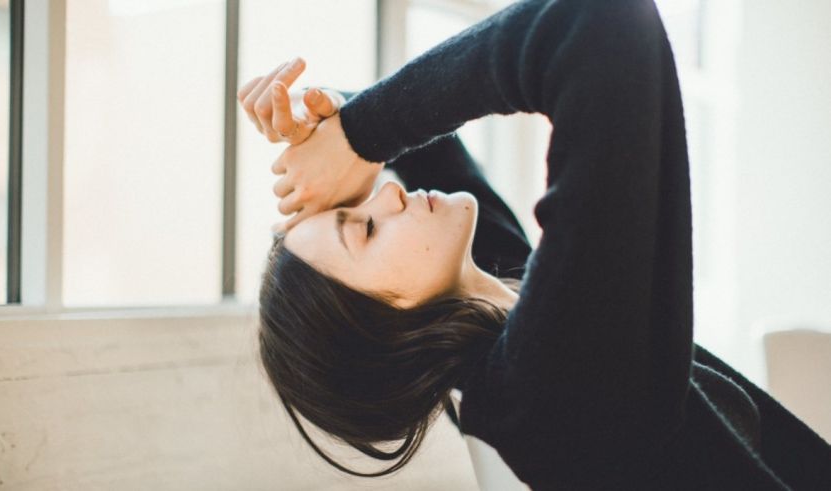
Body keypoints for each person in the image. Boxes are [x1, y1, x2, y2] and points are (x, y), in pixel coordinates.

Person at [239, 0, 831, 488]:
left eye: (360, 202)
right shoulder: (551, 388)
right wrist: (360, 133)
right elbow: (598, 24)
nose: (387, 194)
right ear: (384, 334)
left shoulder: (502, 310)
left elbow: (426, 147)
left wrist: (330, 124)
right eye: (365, 228)